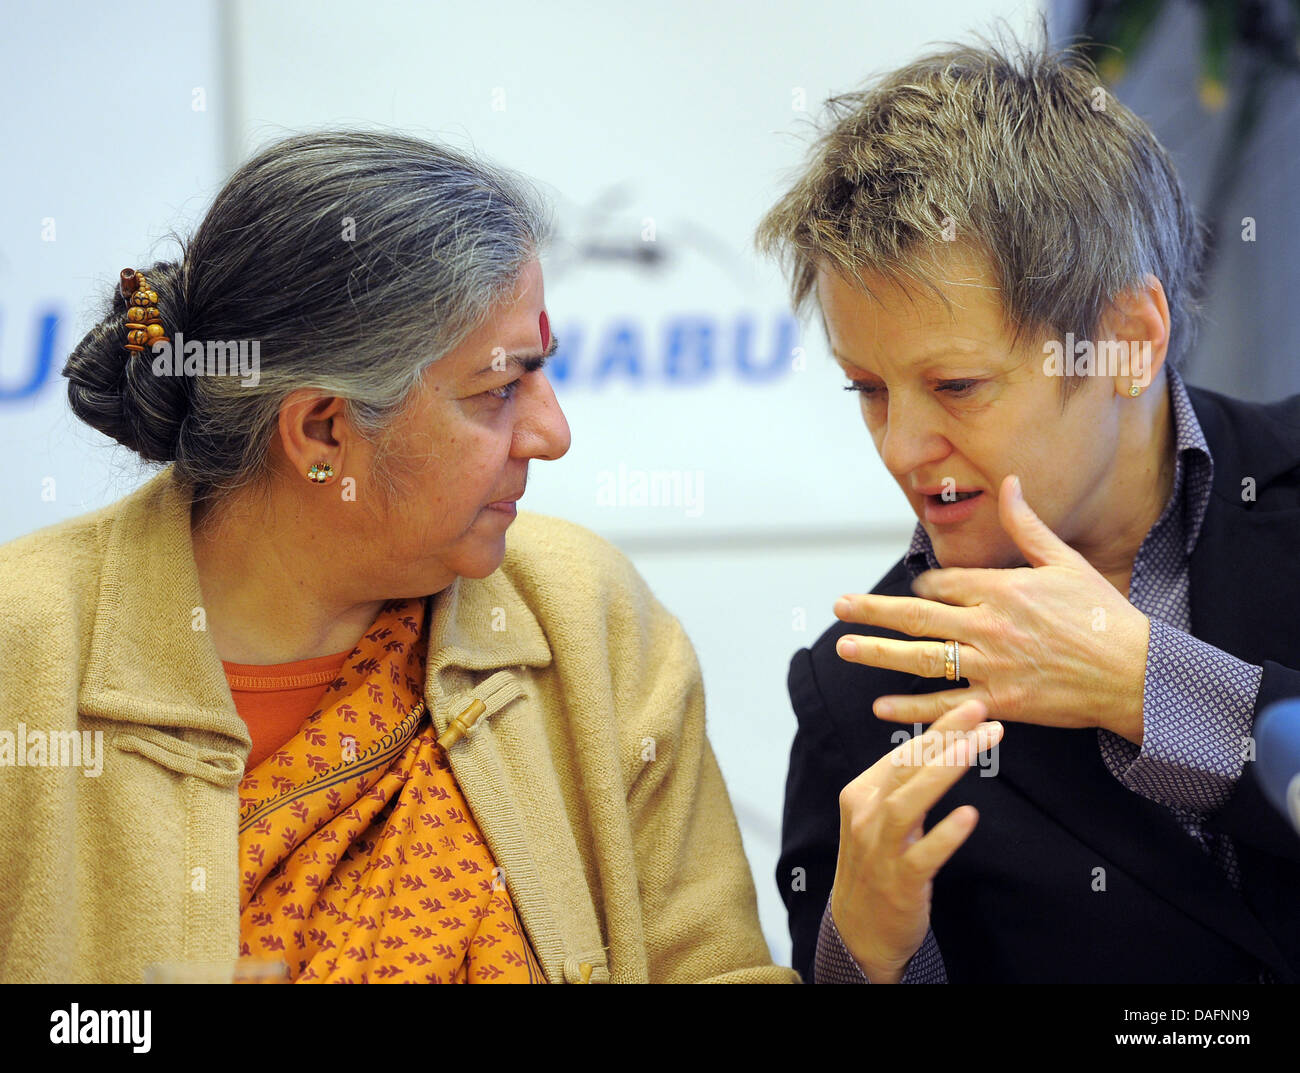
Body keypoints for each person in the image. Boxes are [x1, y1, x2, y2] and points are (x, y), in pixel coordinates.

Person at [0, 130, 797, 985]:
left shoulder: (584, 621)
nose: (553, 434)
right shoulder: (27, 653)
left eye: (542, 373)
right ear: (322, 432)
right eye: (499, 390)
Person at [757, 35, 1300, 983]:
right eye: (869, 390)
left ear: (1128, 339)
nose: (901, 449)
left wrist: (1146, 685)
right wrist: (872, 956)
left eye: (958, 385)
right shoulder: (858, 691)